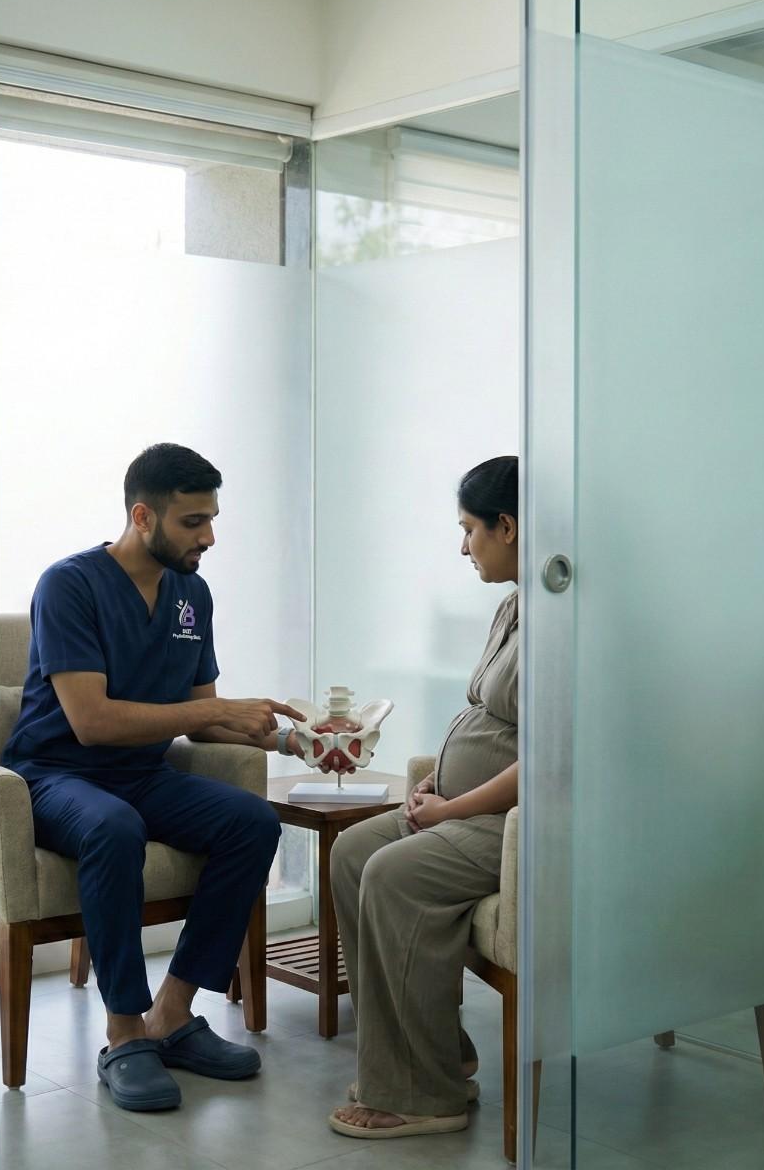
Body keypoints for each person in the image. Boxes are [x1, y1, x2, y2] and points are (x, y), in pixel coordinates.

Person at [0, 443, 304, 1113]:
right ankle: (124, 1034)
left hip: (142, 773)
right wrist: (217, 709)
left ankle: (172, 1014)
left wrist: (297, 741)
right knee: (114, 828)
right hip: (55, 775)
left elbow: (204, 722)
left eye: (212, 518)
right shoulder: (69, 585)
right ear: (143, 516)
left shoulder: (192, 594)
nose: (209, 536)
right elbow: (91, 722)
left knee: (253, 821)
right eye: (193, 521)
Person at [326, 455, 520, 1140]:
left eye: (469, 529)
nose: (463, 547)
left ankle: (423, 1094)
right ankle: (437, 1051)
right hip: (467, 807)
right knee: (352, 853)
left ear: (507, 526)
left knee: (392, 873)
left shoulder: (568, 618)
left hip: (516, 823)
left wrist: (452, 809)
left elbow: (551, 758)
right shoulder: (513, 606)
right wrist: (438, 778)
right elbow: (490, 721)